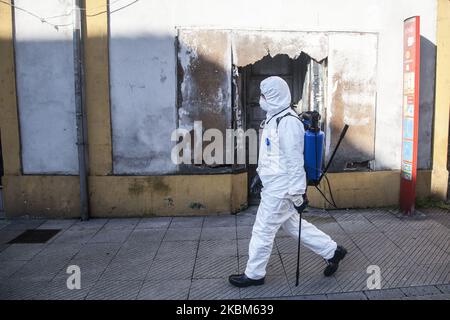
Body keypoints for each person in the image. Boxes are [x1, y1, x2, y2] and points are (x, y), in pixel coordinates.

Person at [229, 76, 347, 288]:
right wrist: (259, 174)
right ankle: (333, 251)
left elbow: (294, 161)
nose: (261, 99)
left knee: (263, 230)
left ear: (274, 97)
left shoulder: (289, 122)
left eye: (264, 95)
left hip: (282, 189)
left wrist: (297, 194)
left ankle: (254, 274)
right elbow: (271, 153)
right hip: (273, 184)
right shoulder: (274, 118)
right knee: (293, 225)